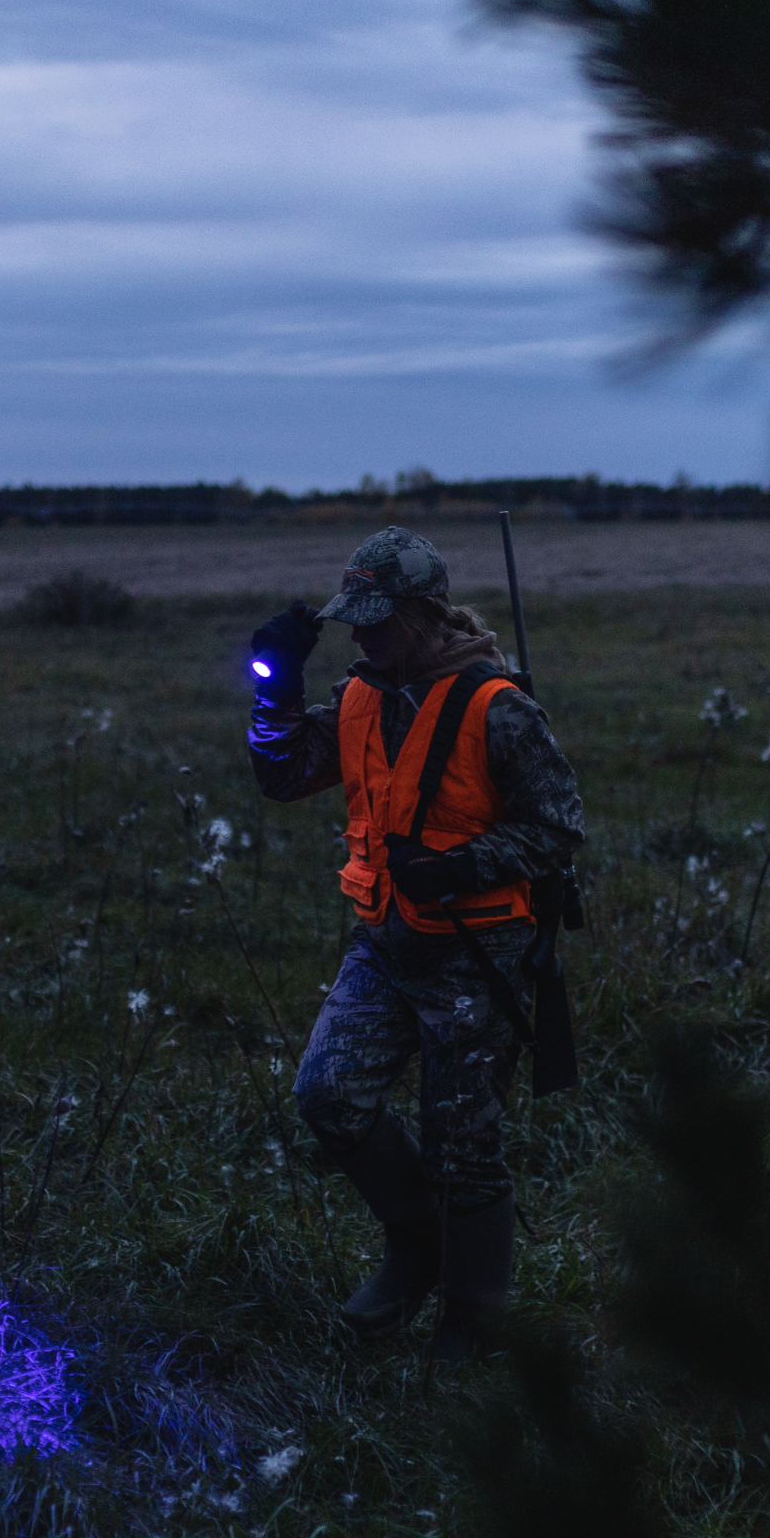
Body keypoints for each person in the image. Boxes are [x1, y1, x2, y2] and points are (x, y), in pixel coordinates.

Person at [247, 526, 585, 1362]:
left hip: (480, 953)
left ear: (427, 616)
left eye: (376, 622)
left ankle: (473, 1321)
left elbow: (558, 829)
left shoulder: (497, 708)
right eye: (351, 622)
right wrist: (276, 691)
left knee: (463, 1144)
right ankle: (417, 1250)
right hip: (385, 945)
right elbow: (284, 775)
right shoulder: (361, 696)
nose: (360, 637)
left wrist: (461, 866)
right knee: (327, 1094)